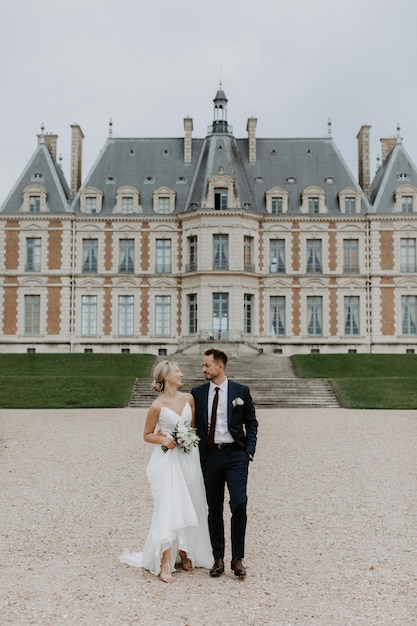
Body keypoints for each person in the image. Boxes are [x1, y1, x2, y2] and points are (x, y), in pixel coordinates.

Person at [120, 360, 213, 583]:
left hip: (189, 457)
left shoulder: (188, 399)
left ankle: (186, 549)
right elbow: (147, 434)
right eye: (177, 371)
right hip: (169, 459)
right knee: (170, 506)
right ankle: (165, 561)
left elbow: (196, 427)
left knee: (192, 501)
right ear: (166, 377)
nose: (181, 374)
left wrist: (188, 438)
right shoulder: (156, 406)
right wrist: (163, 438)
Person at [191, 349, 258, 578]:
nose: (203, 369)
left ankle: (237, 558)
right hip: (210, 455)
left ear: (220, 367)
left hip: (235, 455)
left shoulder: (240, 391)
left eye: (207, 365)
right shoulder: (198, 393)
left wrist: (249, 451)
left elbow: (252, 422)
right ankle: (218, 557)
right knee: (214, 507)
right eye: (203, 365)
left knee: (239, 503)